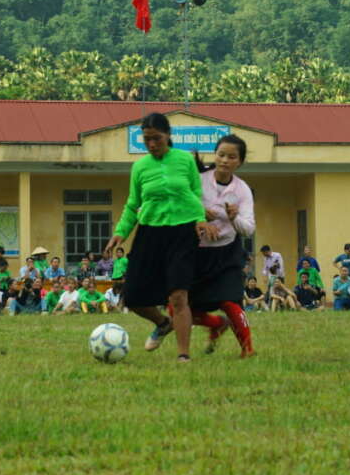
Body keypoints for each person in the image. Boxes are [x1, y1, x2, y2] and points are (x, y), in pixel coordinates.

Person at [103, 113, 217, 362]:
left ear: (168, 136)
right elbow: (133, 204)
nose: (152, 144)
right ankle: (163, 323)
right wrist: (120, 233)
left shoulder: (185, 160)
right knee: (131, 297)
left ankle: (183, 355)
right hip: (150, 233)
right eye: (146, 140)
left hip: (182, 232)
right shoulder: (140, 167)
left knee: (179, 295)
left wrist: (200, 219)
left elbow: (195, 193)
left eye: (156, 138)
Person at [186, 134, 256, 357]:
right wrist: (199, 217)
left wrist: (234, 217)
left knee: (230, 301)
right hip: (196, 253)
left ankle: (247, 349)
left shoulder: (242, 190)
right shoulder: (198, 179)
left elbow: (248, 229)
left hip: (227, 253)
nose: (225, 160)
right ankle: (216, 324)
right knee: (178, 307)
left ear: (240, 162)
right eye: (221, 154)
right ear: (215, 155)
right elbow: (181, 203)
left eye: (231, 157)